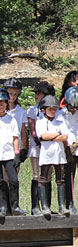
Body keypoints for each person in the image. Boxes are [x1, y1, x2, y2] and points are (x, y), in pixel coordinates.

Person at [57, 86, 78, 214]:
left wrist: (76, 144)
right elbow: (59, 131)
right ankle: (69, 204)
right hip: (66, 149)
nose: (74, 110)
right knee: (68, 175)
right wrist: (67, 147)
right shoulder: (60, 114)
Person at [35, 95, 69, 216]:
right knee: (44, 179)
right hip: (46, 154)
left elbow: (65, 136)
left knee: (61, 179)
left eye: (55, 109)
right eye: (50, 109)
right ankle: (45, 206)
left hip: (59, 154)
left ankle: (62, 206)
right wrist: (56, 135)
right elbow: (43, 136)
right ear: (43, 109)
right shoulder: (40, 122)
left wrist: (51, 136)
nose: (53, 111)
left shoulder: (60, 121)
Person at [27, 81, 56, 215]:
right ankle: (35, 206)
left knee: (47, 176)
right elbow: (33, 130)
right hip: (36, 146)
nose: (36, 96)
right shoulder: (32, 110)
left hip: (50, 147)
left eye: (39, 93)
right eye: (36, 93)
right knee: (37, 175)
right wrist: (39, 140)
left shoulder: (54, 110)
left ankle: (47, 206)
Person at [0, 88, 26, 216]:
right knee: (1, 182)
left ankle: (15, 206)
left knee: (13, 180)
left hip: (9, 154)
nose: (0, 105)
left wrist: (17, 153)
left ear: (6, 104)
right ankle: (4, 207)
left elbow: (16, 137)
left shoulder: (11, 120)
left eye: (3, 103)